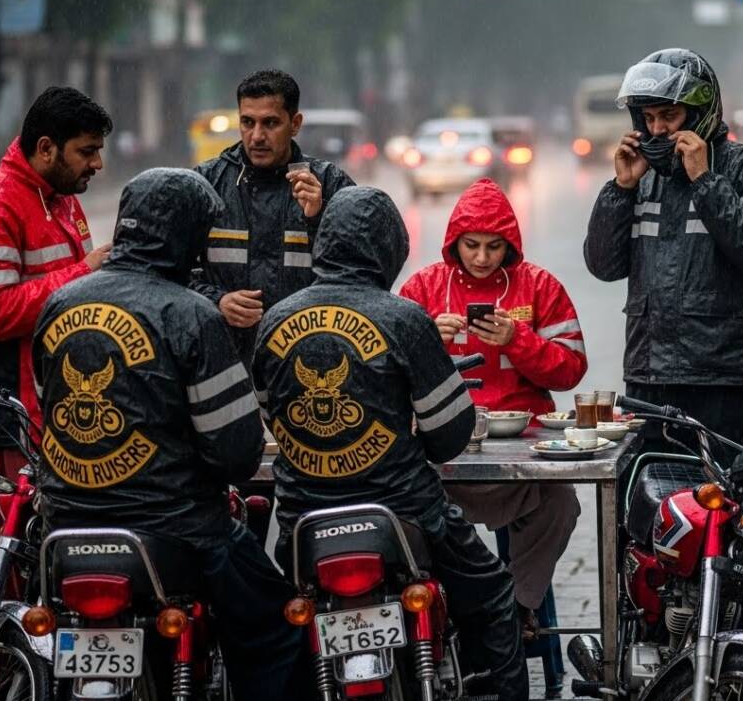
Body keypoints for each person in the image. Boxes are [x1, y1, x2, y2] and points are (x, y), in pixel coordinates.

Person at [33, 168, 307, 698]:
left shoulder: (59, 304)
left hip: (65, 526)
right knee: (279, 627)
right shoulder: (193, 314)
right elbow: (237, 452)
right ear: (187, 235)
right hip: (179, 531)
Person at [253, 186, 528, 700]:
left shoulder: (273, 321)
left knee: (274, 632)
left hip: (302, 523)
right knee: (492, 595)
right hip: (405, 513)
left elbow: (274, 418)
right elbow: (448, 436)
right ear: (389, 248)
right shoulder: (404, 318)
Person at [0, 86, 113, 609]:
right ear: (46, 148)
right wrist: (85, 272)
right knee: (6, 578)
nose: (98, 164)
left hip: (58, 417)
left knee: (57, 569)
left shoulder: (61, 202)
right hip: (7, 421)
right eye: (86, 151)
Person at [399, 177, 585, 637]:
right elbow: (383, 371)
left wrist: (519, 342)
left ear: (511, 246)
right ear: (453, 243)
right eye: (471, 245)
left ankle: (519, 606)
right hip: (441, 455)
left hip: (523, 450)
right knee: (404, 513)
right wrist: (424, 341)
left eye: (494, 247)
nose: (482, 258)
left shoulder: (540, 286)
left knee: (561, 504)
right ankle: (445, 609)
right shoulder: (422, 287)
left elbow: (571, 368)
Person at [584, 48, 743, 451]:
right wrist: (620, 189)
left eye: (669, 117)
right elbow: (603, 265)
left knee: (718, 505)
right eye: (649, 118)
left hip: (723, 378)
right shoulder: (640, 179)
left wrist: (704, 179)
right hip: (648, 375)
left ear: (700, 114)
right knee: (647, 501)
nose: (657, 129)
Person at [191, 68, 355, 368]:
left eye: (270, 123)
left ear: (295, 124)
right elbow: (166, 273)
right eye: (247, 122)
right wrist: (217, 301)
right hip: (223, 362)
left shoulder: (331, 184)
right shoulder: (204, 184)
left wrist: (318, 217)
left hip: (309, 364)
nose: (257, 136)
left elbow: (360, 276)